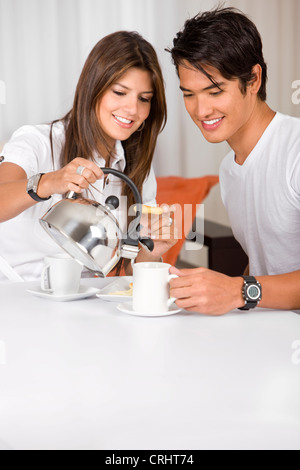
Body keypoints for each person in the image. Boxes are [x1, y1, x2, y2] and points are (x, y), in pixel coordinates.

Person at [0, 31, 176, 282]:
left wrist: (152, 252)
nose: (132, 109)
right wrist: (49, 182)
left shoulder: (137, 170)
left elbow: (124, 275)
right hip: (13, 292)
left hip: (82, 299)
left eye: (144, 99)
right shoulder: (37, 141)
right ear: (93, 88)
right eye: (119, 92)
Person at [167, 7, 300, 315]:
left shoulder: (294, 150)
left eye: (215, 91)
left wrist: (238, 291)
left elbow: (248, 288)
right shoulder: (230, 170)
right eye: (189, 94)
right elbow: (265, 264)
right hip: (271, 334)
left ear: (253, 80)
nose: (201, 110)